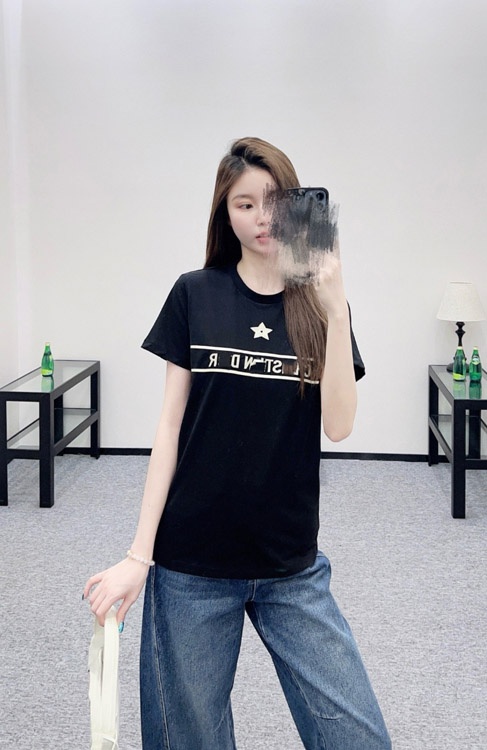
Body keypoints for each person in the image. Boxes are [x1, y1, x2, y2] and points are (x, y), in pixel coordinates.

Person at [84, 137, 391, 750]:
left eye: (273, 201)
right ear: (225, 214)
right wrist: (139, 556)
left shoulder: (319, 308)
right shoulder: (195, 293)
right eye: (243, 204)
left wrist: (336, 311)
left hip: (289, 564)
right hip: (192, 565)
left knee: (359, 738)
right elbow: (169, 428)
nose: (260, 218)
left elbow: (339, 426)